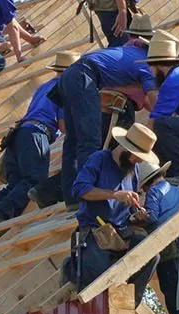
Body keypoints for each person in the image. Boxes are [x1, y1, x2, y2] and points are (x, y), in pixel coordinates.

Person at [0, 52, 76, 229]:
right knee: (34, 180)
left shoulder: (44, 86)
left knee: (16, 183)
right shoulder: (65, 89)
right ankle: (0, 212)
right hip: (37, 134)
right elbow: (63, 126)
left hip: (19, 133)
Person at [49, 36, 162, 199]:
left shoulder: (130, 52)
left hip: (73, 75)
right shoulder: (146, 64)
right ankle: (88, 193)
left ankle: (72, 198)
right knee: (90, 141)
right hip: (84, 77)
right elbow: (154, 101)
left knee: (73, 142)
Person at [67, 121, 165, 285]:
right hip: (95, 230)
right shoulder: (99, 159)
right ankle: (71, 269)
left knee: (150, 256)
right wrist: (113, 195)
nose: (138, 162)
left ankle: (128, 303)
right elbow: (79, 190)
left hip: (121, 231)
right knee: (98, 282)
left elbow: (127, 205)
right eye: (137, 157)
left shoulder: (133, 168)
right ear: (126, 151)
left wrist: (137, 213)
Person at [133, 165, 179, 314]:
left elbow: (152, 218)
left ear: (146, 184)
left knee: (173, 288)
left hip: (168, 247)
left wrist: (139, 218)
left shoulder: (154, 192)